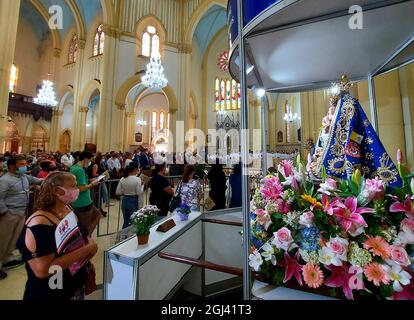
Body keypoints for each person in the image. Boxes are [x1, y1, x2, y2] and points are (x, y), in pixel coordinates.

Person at [17, 172, 98, 300]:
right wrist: (87, 250)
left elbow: (79, 235)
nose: (77, 190)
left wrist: (88, 246)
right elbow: (43, 270)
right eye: (73, 186)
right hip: (51, 292)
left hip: (73, 285)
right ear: (57, 191)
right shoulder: (39, 224)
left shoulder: (67, 208)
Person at [0, 155, 43, 280]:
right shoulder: (5, 180)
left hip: (21, 213)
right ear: (13, 166)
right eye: (22, 164)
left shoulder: (23, 176)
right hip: (9, 214)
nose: (26, 166)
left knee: (13, 240)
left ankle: (5, 259)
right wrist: (5, 212)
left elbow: (36, 180)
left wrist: (51, 179)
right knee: (3, 241)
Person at [70, 151, 101, 235]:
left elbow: (80, 182)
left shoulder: (73, 167)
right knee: (85, 226)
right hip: (83, 201)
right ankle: (86, 238)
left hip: (77, 201)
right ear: (85, 159)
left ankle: (86, 236)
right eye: (90, 160)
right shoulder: (80, 170)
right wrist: (92, 184)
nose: (90, 163)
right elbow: (82, 188)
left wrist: (90, 180)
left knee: (97, 214)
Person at [116, 162, 144, 229]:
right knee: (134, 220)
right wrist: (142, 185)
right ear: (135, 169)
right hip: (134, 200)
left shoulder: (123, 179)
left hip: (125, 200)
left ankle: (124, 237)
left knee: (126, 220)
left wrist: (125, 191)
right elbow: (139, 192)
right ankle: (132, 237)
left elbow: (117, 192)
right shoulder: (137, 179)